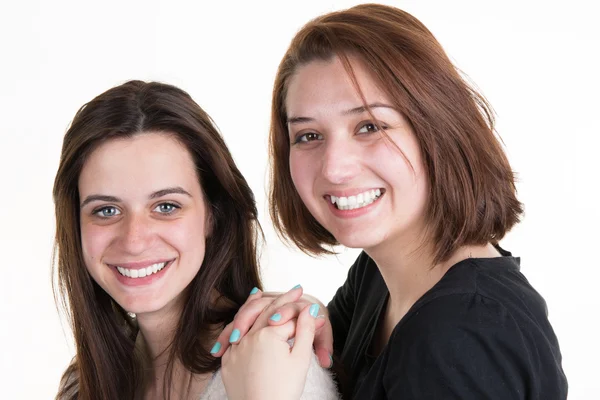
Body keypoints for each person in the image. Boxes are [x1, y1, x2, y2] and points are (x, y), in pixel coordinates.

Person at [214, 4, 568, 399]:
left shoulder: (463, 333)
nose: (335, 169)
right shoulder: (377, 277)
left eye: (369, 126)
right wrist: (301, 316)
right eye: (309, 136)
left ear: (438, 130)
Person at [52, 80, 339, 399]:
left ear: (212, 215)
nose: (134, 240)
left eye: (166, 206)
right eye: (106, 210)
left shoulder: (278, 361)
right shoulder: (83, 386)